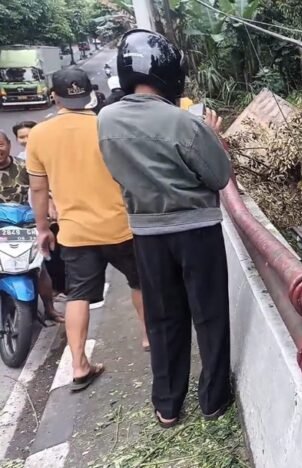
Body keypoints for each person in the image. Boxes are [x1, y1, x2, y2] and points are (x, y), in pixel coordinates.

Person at [99, 30, 232, 427]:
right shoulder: (182, 122)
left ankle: (168, 404)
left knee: (162, 318)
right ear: (170, 73)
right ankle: (212, 399)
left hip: (146, 234)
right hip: (196, 230)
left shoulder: (105, 119)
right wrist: (214, 135)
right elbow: (219, 176)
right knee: (208, 316)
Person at [26, 68, 149, 392]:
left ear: (54, 96)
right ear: (89, 95)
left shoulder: (39, 135)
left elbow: (38, 190)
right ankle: (149, 336)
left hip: (75, 233)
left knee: (79, 295)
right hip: (120, 226)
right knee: (140, 282)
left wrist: (43, 228)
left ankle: (79, 365)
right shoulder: (105, 124)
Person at [0, 131, 63, 323]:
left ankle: (50, 309)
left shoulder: (25, 167)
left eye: (0, 144)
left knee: (39, 268)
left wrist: (51, 207)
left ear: (9, 145)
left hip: (25, 226)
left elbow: (44, 190)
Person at [12, 121, 66, 298]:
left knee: (57, 252)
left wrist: (50, 203)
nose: (26, 140)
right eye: (22, 137)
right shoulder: (20, 161)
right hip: (29, 217)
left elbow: (43, 187)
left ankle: (62, 290)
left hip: (53, 212)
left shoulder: (50, 155)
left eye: (29, 135)